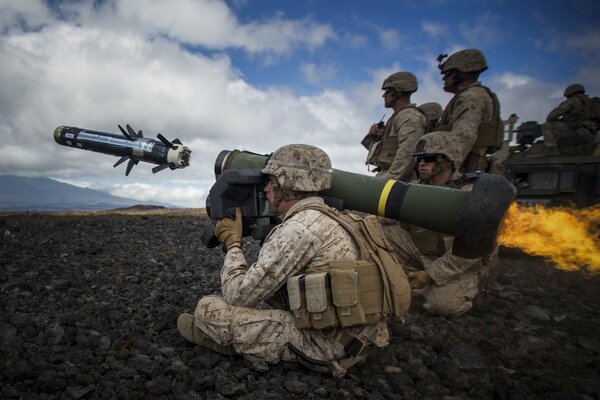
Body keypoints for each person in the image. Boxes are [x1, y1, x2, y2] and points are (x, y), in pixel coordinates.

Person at [177, 144, 409, 377]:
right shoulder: (339, 217)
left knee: (209, 309)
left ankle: (226, 341)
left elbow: (238, 295)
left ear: (288, 185)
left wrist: (233, 244)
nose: (266, 188)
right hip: (359, 336)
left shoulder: (299, 229)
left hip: (327, 347)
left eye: (271, 181)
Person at [381, 131, 496, 317]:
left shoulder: (471, 194)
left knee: (443, 306)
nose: (422, 164)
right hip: (424, 252)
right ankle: (403, 278)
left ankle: (434, 286)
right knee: (378, 231)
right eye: (419, 159)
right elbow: (390, 219)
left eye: (429, 158)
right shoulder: (416, 187)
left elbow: (471, 249)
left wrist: (430, 275)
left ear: (448, 161)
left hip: (457, 262)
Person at [436, 49, 504, 173]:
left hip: (466, 170)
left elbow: (463, 138)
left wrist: (445, 172)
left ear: (460, 74)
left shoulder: (471, 97)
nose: (444, 78)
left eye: (448, 74)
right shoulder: (470, 95)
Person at [361, 72, 427, 181]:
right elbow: (384, 153)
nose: (383, 95)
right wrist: (373, 136)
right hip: (388, 175)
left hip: (398, 180)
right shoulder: (398, 117)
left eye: (387, 91)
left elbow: (407, 154)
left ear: (398, 92)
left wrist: (387, 181)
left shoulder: (409, 116)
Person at [541, 83, 599, 156]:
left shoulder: (573, 100)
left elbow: (551, 116)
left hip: (578, 131)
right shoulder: (593, 102)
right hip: (593, 136)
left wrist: (561, 121)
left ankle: (552, 151)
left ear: (569, 93)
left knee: (547, 126)